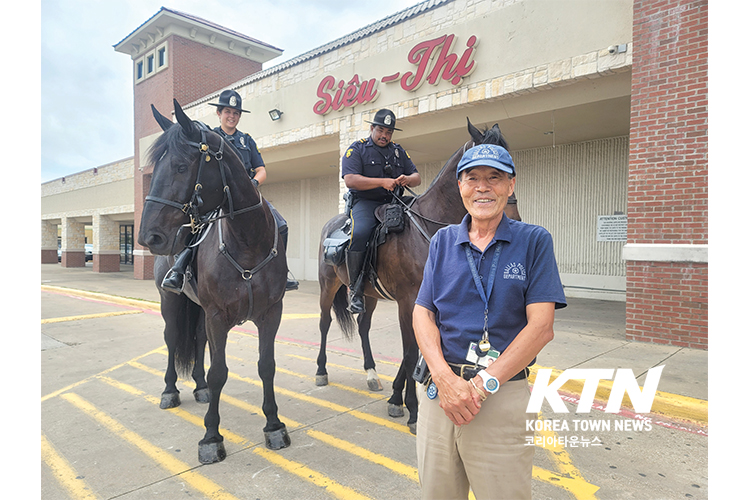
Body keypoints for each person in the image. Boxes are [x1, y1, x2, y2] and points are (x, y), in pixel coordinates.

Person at [412, 144, 567, 500]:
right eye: (473, 178)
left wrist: (480, 386)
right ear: (460, 186)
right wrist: (443, 378)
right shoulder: (442, 241)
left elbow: (541, 326)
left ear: (510, 186)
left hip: (499, 396)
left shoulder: (534, 241)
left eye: (494, 178)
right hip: (440, 394)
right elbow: (423, 311)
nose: (483, 187)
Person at [161, 89, 299, 293]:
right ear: (219, 114)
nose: (232, 116)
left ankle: (281, 271)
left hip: (248, 196)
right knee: (196, 226)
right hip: (218, 197)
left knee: (281, 224)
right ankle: (179, 269)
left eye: (236, 113)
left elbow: (261, 170)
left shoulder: (247, 141)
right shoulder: (211, 137)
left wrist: (253, 183)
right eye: (227, 112)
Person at [341, 109, 421, 313]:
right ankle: (356, 290)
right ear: (372, 128)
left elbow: (416, 177)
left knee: (422, 219)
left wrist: (407, 179)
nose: (385, 135)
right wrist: (382, 182)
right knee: (359, 233)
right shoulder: (357, 149)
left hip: (395, 201)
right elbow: (350, 180)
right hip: (367, 203)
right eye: (381, 130)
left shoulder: (398, 151)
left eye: (389, 132)